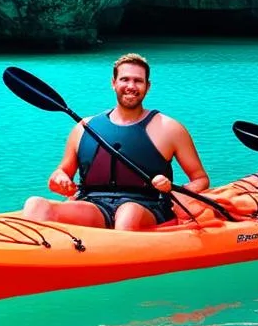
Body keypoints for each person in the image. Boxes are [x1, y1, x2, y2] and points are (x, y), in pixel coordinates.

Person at [22, 53, 210, 230]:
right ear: (113, 83)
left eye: (138, 81)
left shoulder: (170, 128)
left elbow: (200, 179)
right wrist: (59, 178)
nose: (131, 86)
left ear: (148, 86)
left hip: (146, 206)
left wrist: (175, 190)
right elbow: (63, 171)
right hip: (94, 205)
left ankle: (114, 257)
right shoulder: (83, 127)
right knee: (35, 204)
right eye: (125, 79)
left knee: (128, 212)